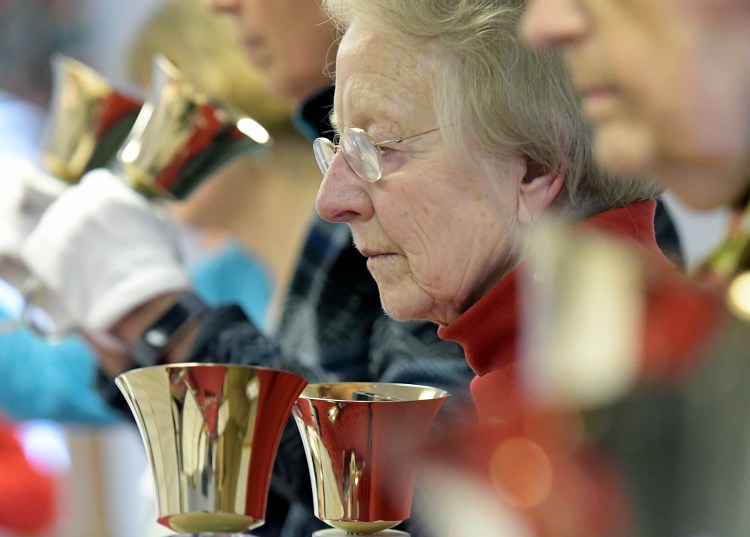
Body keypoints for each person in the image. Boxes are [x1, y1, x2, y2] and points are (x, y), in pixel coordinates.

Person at [19, 1, 473, 536]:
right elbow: (274, 499)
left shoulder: (402, 226)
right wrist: (132, 339)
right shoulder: (337, 235)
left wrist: (166, 321)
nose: (221, 5)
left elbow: (413, 493)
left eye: (380, 145)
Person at [312, 1, 724, 536]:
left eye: (378, 146)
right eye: (341, 144)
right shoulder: (574, 352)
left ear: (533, 167)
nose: (333, 199)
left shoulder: (606, 397)